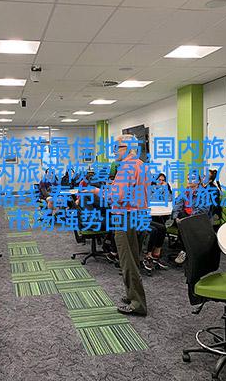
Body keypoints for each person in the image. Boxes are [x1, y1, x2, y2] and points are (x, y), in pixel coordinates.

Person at [90, 134, 148, 316]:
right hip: (137, 216)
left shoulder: (126, 168)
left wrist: (97, 191)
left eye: (117, 147)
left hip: (124, 217)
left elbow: (117, 197)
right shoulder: (140, 165)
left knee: (127, 261)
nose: (114, 151)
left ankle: (137, 304)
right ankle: (132, 295)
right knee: (133, 258)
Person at [172, 173, 209, 265]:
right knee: (180, 218)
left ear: (198, 181)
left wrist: (187, 218)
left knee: (183, 224)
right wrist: (176, 216)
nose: (189, 180)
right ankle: (186, 250)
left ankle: (185, 250)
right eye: (188, 178)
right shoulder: (185, 191)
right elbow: (177, 204)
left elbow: (203, 210)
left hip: (196, 219)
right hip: (184, 218)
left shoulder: (204, 193)